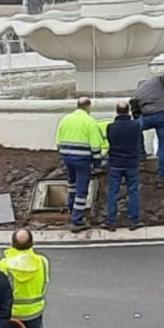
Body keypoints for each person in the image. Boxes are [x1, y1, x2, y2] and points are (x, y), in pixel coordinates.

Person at [0, 229, 50, 328]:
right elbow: (44, 284)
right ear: (32, 243)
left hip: (12, 317)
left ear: (12, 244)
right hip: (34, 315)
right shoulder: (42, 262)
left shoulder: (2, 266)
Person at [55, 97, 104, 233]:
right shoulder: (90, 121)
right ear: (88, 107)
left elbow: (58, 142)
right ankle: (77, 220)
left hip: (67, 158)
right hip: (82, 160)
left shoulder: (65, 119)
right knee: (82, 191)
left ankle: (71, 209)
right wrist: (97, 163)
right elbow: (95, 145)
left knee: (72, 185)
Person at [130, 72, 164, 188]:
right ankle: (162, 177)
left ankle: (141, 155)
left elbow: (135, 113)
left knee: (135, 128)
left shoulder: (136, 94)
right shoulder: (158, 81)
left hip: (148, 117)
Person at [102, 100, 143, 231]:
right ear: (128, 111)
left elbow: (110, 143)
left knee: (113, 192)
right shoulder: (135, 126)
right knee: (133, 191)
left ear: (117, 111)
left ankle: (111, 221)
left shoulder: (111, 127)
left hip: (115, 163)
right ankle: (134, 220)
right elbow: (138, 142)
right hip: (131, 162)